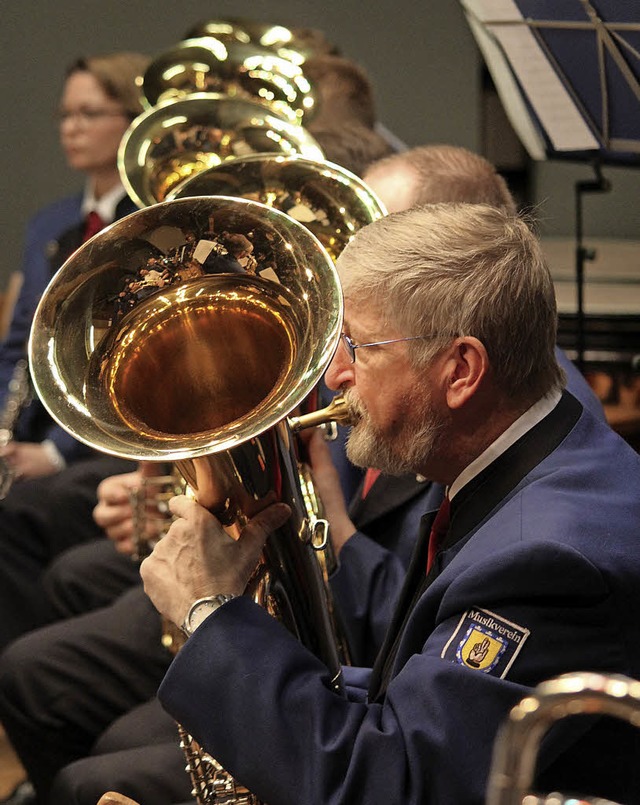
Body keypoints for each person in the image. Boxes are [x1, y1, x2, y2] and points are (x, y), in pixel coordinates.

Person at [135, 203, 640, 805]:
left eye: (356, 345)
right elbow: (420, 697)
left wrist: (207, 612)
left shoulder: (551, 560)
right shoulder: (529, 449)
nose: (334, 375)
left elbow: (393, 784)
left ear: (461, 370)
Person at [0, 51, 148, 651]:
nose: (71, 128)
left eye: (89, 113)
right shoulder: (50, 223)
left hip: (109, 440)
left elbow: (135, 363)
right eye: (65, 115)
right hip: (37, 430)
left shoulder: (152, 220)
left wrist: (55, 453)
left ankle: (28, 667)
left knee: (25, 511)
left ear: (131, 121)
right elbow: (17, 343)